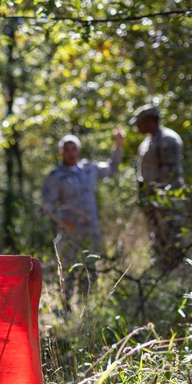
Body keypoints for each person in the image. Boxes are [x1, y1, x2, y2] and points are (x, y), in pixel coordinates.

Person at [41, 129, 124, 307]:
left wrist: (118, 146)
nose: (71, 153)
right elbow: (48, 204)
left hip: (90, 230)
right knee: (69, 270)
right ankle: (66, 307)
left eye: (74, 149)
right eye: (67, 149)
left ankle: (89, 308)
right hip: (70, 232)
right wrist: (63, 221)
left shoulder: (89, 169)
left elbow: (112, 167)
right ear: (61, 152)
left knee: (91, 267)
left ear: (79, 151)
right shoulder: (55, 176)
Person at [130, 103, 186, 270]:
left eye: (140, 122)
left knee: (171, 235)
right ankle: (162, 268)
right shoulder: (149, 141)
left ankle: (178, 271)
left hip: (167, 200)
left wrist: (157, 194)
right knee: (157, 236)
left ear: (149, 121)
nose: (138, 127)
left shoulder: (168, 139)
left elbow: (171, 172)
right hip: (151, 199)